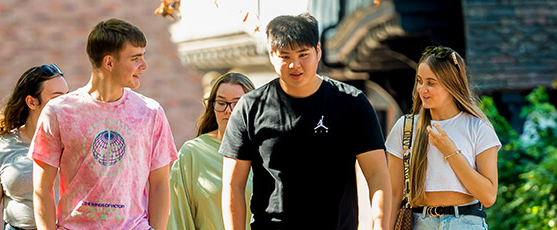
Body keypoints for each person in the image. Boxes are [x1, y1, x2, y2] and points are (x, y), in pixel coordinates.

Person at [220, 12, 393, 230]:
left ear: (318, 51)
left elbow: (377, 174)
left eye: (303, 54)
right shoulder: (249, 107)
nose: (295, 65)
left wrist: (380, 226)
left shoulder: (352, 103)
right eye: (285, 56)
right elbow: (233, 184)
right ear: (271, 56)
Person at [30, 18, 177, 230]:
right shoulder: (58, 112)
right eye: (135, 59)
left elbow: (160, 184)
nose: (144, 66)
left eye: (143, 57)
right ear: (109, 63)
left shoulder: (150, 112)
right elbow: (42, 188)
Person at [384, 46, 499, 230]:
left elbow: (488, 196)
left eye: (431, 83)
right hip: (419, 223)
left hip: (466, 223)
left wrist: (450, 152)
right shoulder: (405, 127)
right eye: (420, 81)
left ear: (451, 84)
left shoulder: (479, 128)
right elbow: (395, 194)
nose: (422, 89)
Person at [0, 64, 70, 230]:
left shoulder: (75, 142)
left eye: (67, 97)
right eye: (57, 98)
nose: (65, 104)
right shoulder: (1, 147)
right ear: (32, 102)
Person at [169, 73, 256, 230]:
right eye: (221, 103)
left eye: (237, 104)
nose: (228, 111)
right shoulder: (192, 153)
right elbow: (177, 218)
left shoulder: (265, 152)